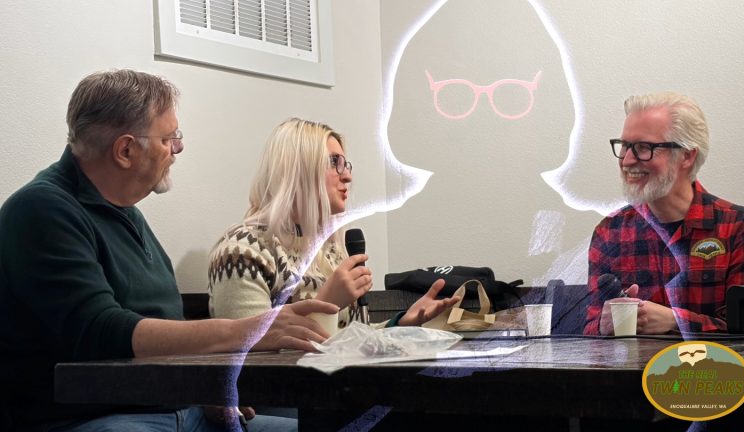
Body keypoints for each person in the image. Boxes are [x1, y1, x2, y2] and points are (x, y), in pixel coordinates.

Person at [0, 70, 339, 432]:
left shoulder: (126, 213)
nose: (178, 148)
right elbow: (101, 331)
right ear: (126, 150)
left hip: (182, 410)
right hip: (96, 419)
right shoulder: (42, 210)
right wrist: (247, 332)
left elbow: (164, 324)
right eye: (169, 138)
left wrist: (202, 386)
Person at [208, 118, 459, 330]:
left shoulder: (328, 248)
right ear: (299, 169)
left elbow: (346, 343)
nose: (348, 176)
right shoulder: (242, 250)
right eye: (334, 163)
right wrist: (328, 303)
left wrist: (401, 323)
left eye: (345, 164)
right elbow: (250, 358)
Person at [584, 91, 744, 335]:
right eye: (625, 146)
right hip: (630, 373)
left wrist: (675, 321)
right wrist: (602, 326)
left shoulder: (740, 228)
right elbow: (588, 330)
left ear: (687, 156)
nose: (627, 160)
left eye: (643, 147)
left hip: (713, 373)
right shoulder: (609, 232)